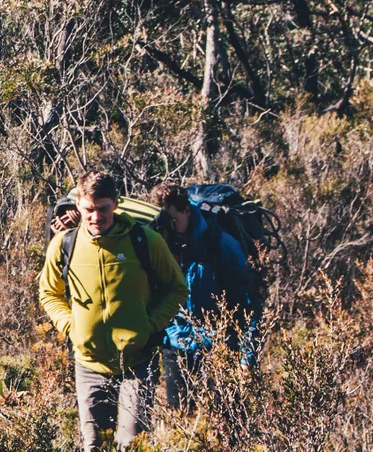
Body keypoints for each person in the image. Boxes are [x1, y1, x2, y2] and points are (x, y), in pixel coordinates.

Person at [39, 173, 188, 450]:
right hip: (88, 364)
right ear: (79, 206)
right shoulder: (64, 245)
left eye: (103, 208)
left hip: (137, 362)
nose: (96, 217)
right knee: (94, 445)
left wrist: (149, 324)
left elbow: (177, 289)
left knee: (130, 444)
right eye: (89, 209)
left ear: (116, 204)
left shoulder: (146, 240)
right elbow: (49, 293)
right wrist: (70, 326)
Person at [146, 182, 258, 411]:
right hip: (176, 342)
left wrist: (247, 358)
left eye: (173, 220)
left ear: (187, 210)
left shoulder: (221, 243)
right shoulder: (156, 241)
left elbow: (249, 303)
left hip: (222, 343)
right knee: (182, 422)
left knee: (229, 424)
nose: (169, 227)